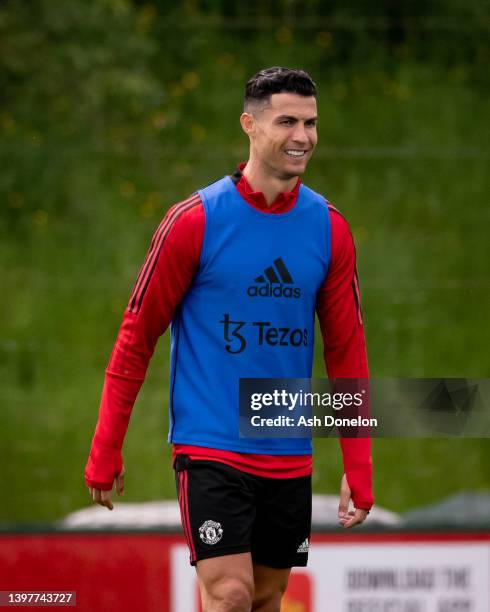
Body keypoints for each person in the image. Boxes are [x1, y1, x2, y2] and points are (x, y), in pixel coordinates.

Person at [85, 66, 373, 612]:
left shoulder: (330, 228)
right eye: (287, 121)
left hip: (288, 449)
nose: (302, 136)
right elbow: (135, 337)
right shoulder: (194, 221)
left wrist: (358, 467)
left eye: (310, 123)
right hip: (211, 445)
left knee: (266, 599)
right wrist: (106, 445)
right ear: (249, 125)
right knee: (230, 594)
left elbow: (346, 351)